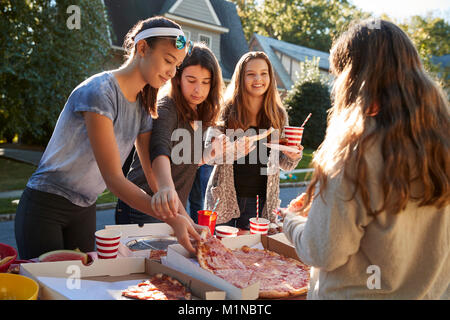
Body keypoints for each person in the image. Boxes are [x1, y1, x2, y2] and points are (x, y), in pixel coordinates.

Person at [283, 19, 450, 299]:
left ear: (353, 80)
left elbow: (323, 251)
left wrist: (292, 221)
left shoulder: (355, 150)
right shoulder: (441, 143)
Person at [15, 16, 201, 259]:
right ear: (142, 48)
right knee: (49, 293)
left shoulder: (144, 107)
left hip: (84, 210)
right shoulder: (100, 92)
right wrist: (171, 218)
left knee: (82, 291)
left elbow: (153, 174)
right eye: (168, 60)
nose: (172, 72)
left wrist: (187, 221)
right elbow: (114, 179)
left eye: (176, 64)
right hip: (45, 207)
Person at [115, 43, 224, 227]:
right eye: (191, 80)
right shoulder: (167, 107)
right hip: (142, 209)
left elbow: (179, 160)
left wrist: (207, 156)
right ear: (177, 77)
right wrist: (185, 218)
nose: (198, 89)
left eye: (205, 82)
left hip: (172, 210)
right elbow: (160, 150)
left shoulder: (198, 113)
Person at [204, 51, 303, 230]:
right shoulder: (226, 111)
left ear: (270, 77)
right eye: (251, 74)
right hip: (223, 198)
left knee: (252, 252)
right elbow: (209, 158)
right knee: (218, 250)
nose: (258, 79)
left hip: (260, 203)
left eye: (264, 73)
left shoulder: (278, 116)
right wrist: (226, 149)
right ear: (241, 78)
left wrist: (292, 156)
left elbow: (286, 164)